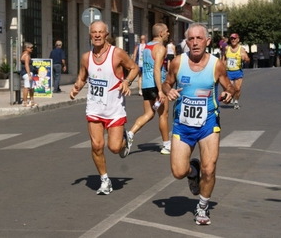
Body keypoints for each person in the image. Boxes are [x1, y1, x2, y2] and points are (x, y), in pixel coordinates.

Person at [162, 22, 235, 226]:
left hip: (208, 123)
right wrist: (168, 90)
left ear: (207, 41)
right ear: (186, 42)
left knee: (209, 169)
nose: (195, 43)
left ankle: (202, 207)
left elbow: (229, 85)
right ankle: (192, 172)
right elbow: (167, 82)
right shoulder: (177, 62)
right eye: (191, 39)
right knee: (178, 172)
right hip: (183, 124)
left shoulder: (216, 64)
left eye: (199, 38)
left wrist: (229, 93)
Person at [70, 20, 139, 195]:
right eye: (94, 32)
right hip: (94, 108)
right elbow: (82, 76)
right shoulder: (86, 57)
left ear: (107, 35)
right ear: (90, 35)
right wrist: (76, 88)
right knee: (97, 145)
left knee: (114, 148)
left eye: (101, 32)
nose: (97, 35)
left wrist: (127, 81)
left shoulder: (117, 54)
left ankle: (125, 139)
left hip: (114, 109)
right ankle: (105, 180)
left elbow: (134, 68)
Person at [126, 23, 171, 155]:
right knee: (163, 115)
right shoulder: (160, 48)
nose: (168, 33)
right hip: (157, 85)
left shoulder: (146, 47)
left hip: (146, 85)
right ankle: (166, 145)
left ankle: (130, 134)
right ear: (161, 33)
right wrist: (161, 91)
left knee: (149, 114)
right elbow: (157, 70)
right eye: (167, 31)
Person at [221, 33, 250, 109]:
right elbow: (223, 58)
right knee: (230, 89)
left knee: (237, 88)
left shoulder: (241, 49)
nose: (233, 40)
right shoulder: (227, 48)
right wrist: (222, 67)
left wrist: (245, 59)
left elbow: (248, 60)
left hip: (238, 71)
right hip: (229, 72)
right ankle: (230, 97)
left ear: (238, 39)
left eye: (234, 38)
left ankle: (236, 101)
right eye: (231, 39)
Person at [20, 42, 38, 107]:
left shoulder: (24, 54)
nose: (32, 49)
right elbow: (27, 66)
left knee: (31, 87)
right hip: (27, 73)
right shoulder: (26, 56)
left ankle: (32, 101)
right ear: (26, 48)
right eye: (31, 48)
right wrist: (29, 75)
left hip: (28, 73)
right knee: (27, 87)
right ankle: (25, 102)